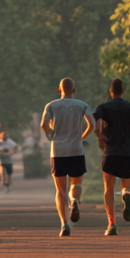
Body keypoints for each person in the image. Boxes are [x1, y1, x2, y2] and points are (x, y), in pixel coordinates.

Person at [93, 77, 130, 236]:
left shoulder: (103, 107)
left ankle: (111, 223)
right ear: (123, 91)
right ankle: (126, 196)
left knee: (108, 189)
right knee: (127, 186)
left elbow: (97, 126)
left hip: (110, 153)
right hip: (128, 153)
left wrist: (100, 139)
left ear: (111, 92)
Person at [40, 77, 94, 237]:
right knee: (76, 184)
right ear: (74, 90)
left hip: (58, 151)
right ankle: (75, 201)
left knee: (60, 190)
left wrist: (51, 135)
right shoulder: (82, 105)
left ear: (59, 90)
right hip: (76, 149)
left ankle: (64, 224)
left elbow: (43, 124)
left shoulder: (51, 105)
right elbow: (93, 124)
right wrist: (82, 137)